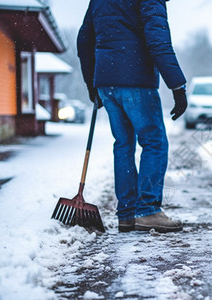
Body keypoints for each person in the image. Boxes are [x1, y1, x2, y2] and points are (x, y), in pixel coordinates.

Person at [77, 0, 187, 233]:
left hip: (107, 82)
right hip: (136, 79)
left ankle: (127, 214)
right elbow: (158, 40)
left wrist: (92, 84)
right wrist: (177, 85)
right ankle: (147, 211)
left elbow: (84, 40)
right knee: (154, 142)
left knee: (123, 145)